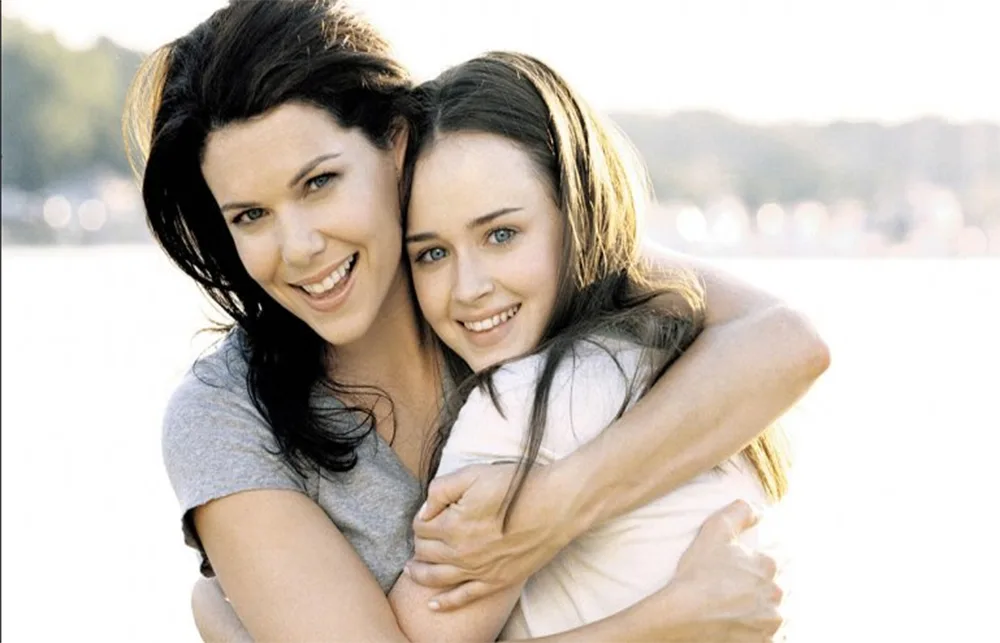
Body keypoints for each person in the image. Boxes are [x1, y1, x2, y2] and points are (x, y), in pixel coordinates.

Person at [122, 1, 829, 640]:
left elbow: (788, 342)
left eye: (319, 182)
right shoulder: (225, 418)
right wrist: (664, 623)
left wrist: (549, 506)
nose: (299, 248)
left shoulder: (512, 287)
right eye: (251, 216)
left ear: (395, 144)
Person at [395, 50, 792, 640]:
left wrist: (219, 611)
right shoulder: (682, 356)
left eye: (501, 234)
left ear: (576, 215)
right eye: (432, 253)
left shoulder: (519, 406)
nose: (469, 288)